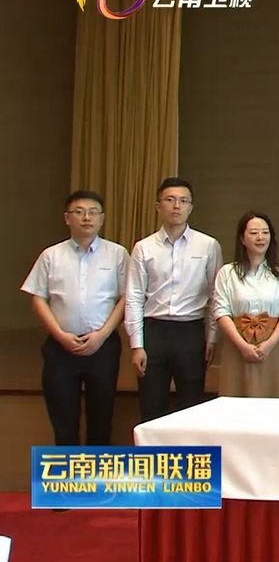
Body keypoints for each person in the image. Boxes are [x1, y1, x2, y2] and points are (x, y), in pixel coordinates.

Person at [20, 190, 128, 446]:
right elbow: (37, 298)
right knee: (63, 420)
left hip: (102, 346)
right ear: (67, 218)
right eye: (79, 212)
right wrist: (60, 335)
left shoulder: (117, 254)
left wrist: (102, 335)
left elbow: (126, 298)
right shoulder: (51, 255)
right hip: (60, 347)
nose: (86, 218)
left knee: (101, 419)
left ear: (102, 218)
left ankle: (96, 472)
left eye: (93, 212)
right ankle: (68, 471)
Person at [126, 177, 223, 421]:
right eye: (170, 200)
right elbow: (134, 296)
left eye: (183, 201)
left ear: (191, 207)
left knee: (192, 406)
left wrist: (212, 337)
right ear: (158, 206)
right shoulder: (143, 248)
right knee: (151, 405)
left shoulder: (208, 245)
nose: (177, 206)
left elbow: (216, 295)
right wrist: (137, 345)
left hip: (190, 331)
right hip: (154, 330)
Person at [213, 212, 279, 398]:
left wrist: (269, 343)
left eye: (265, 232)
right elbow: (220, 311)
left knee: (274, 399)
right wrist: (242, 346)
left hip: (272, 345)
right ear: (242, 239)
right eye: (253, 233)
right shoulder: (227, 273)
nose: (260, 238)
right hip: (237, 344)